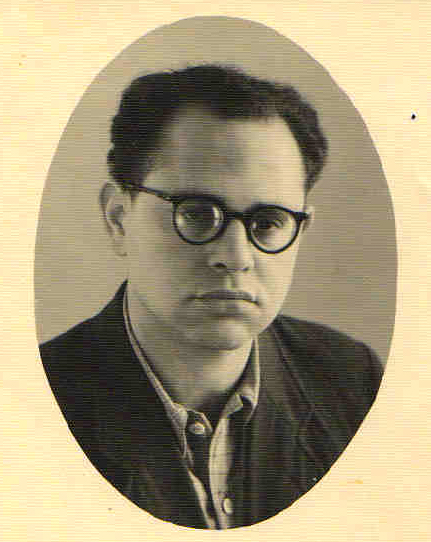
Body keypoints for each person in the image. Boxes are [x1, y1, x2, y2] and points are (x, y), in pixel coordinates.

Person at [39, 64, 383, 529]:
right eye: (197, 214)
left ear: (301, 231)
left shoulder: (353, 383)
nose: (235, 258)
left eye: (269, 222)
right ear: (119, 218)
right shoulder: (29, 405)